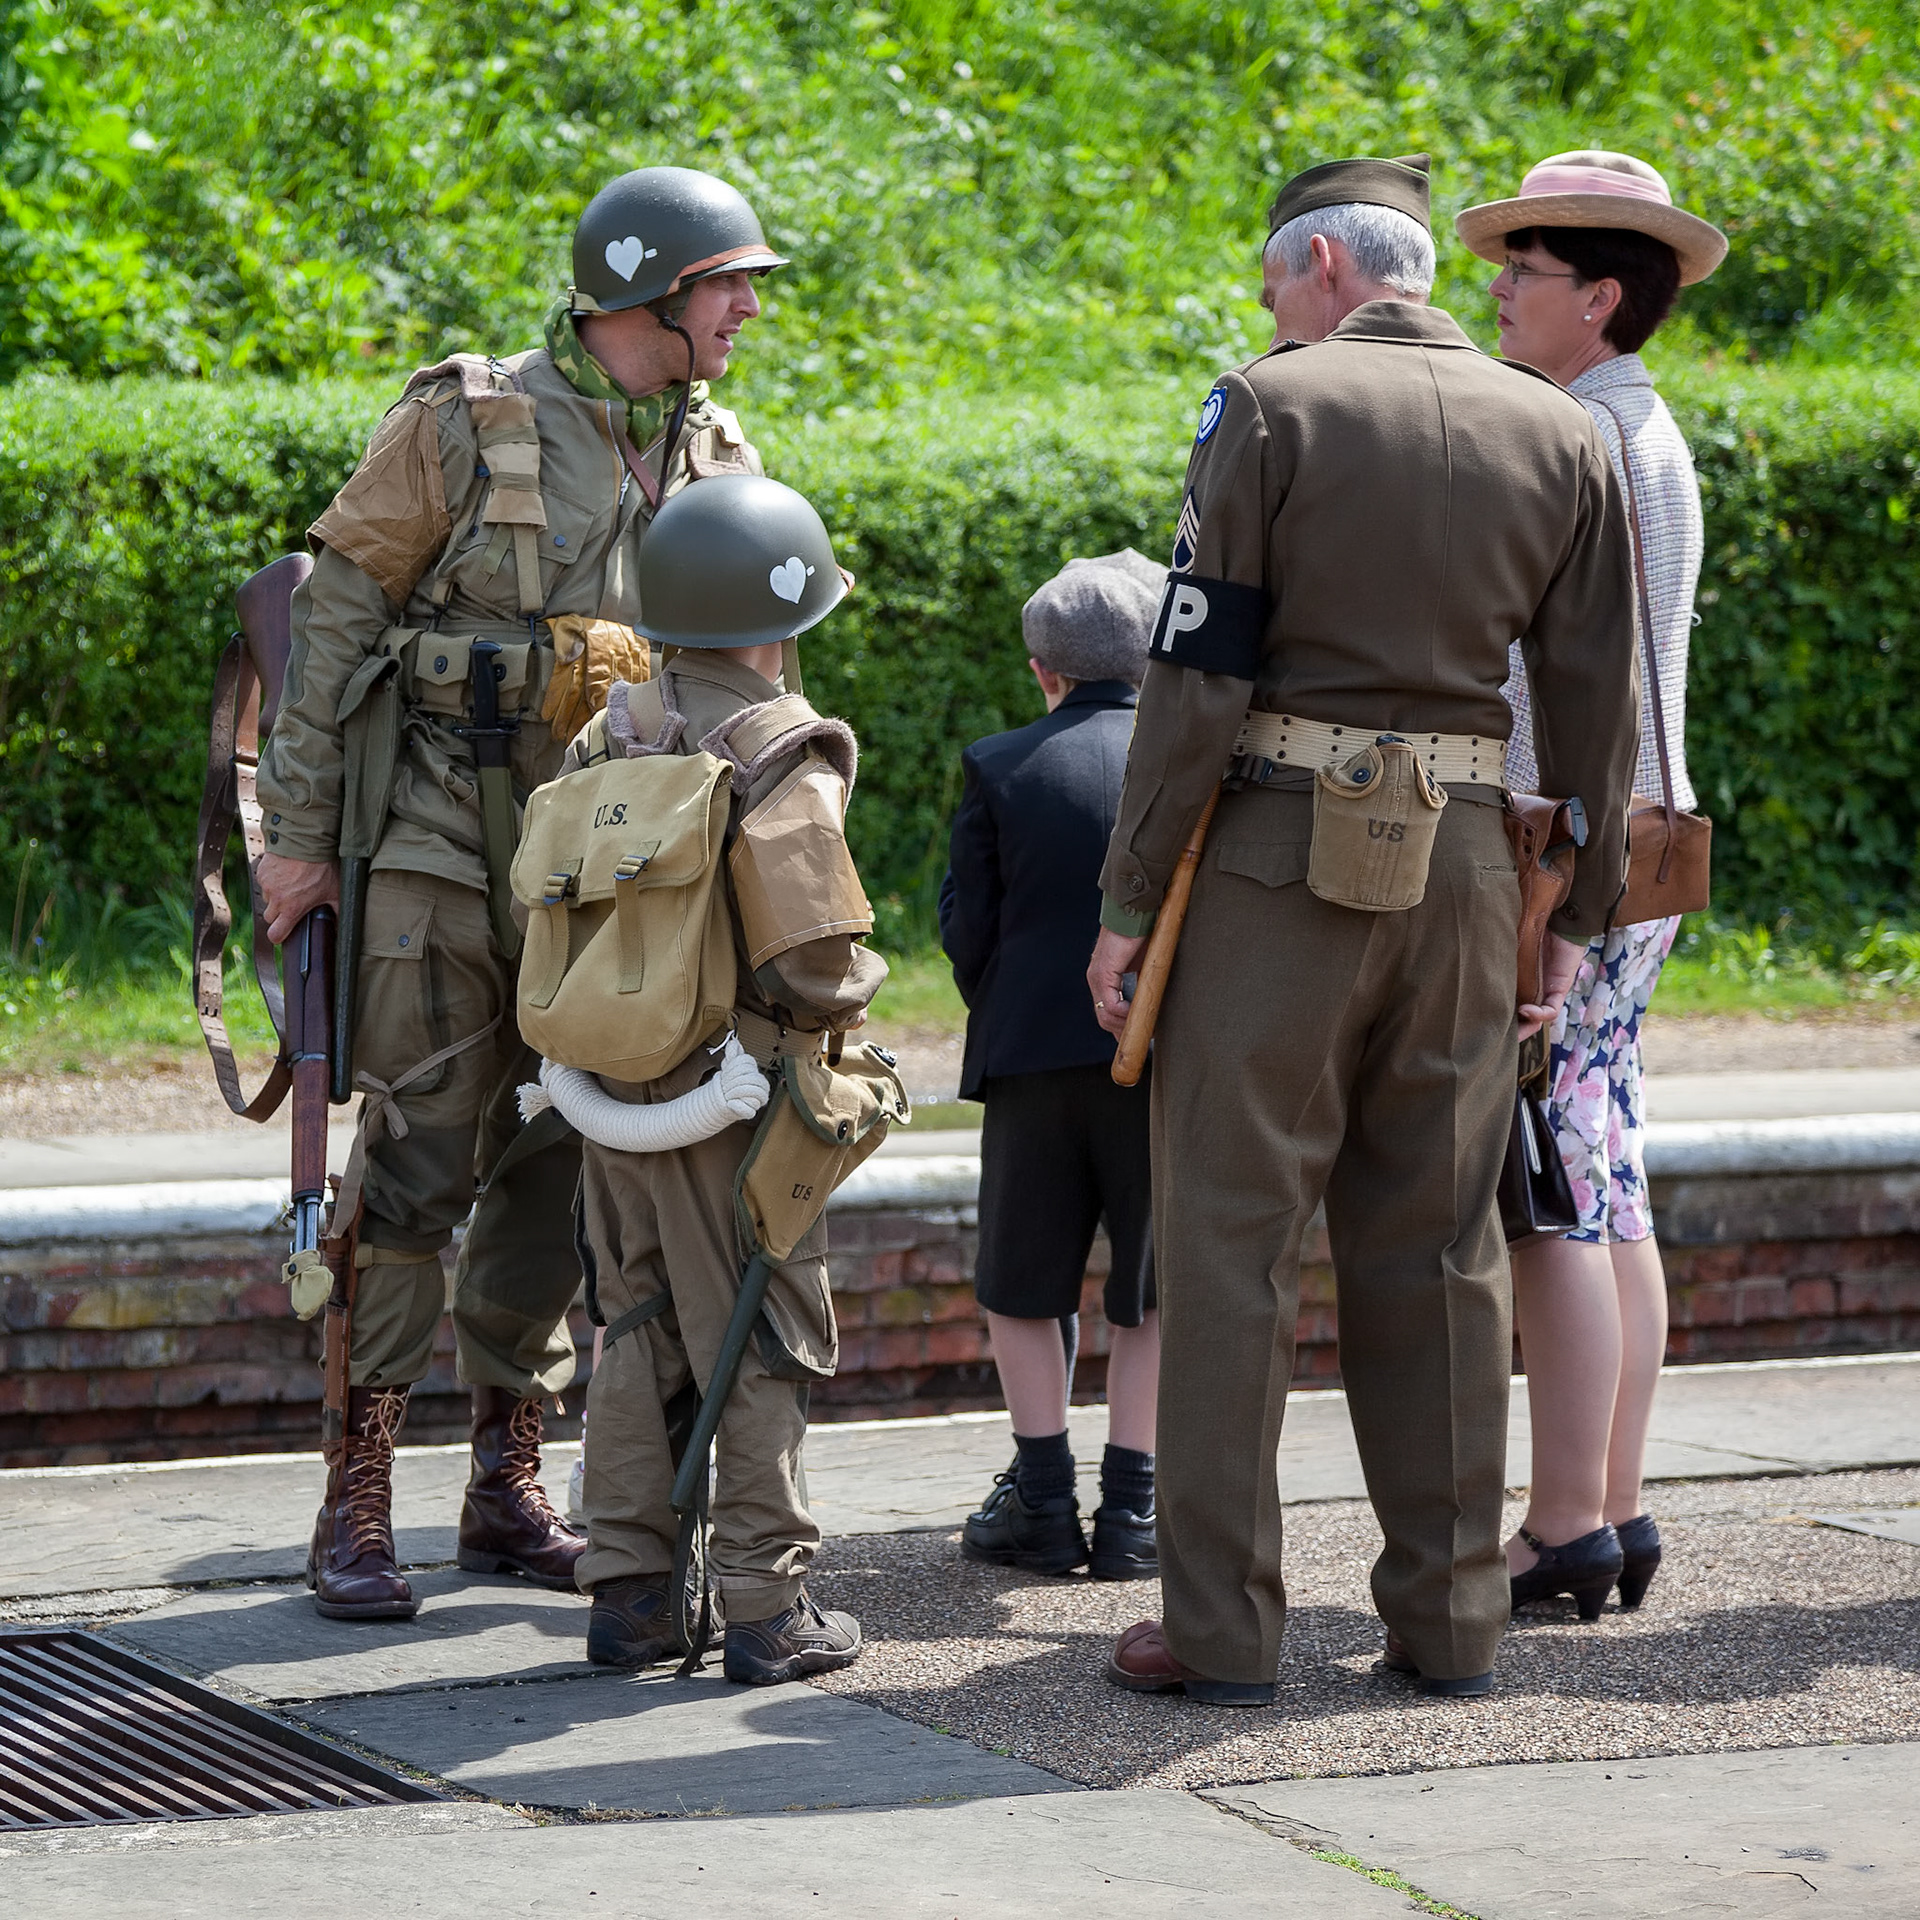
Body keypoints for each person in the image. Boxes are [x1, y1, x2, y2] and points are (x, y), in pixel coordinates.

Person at [1086, 151, 1641, 1705]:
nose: (1268, 308)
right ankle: (1452, 1624)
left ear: (1329, 269)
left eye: (1275, 281)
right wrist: (1573, 918)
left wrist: (1131, 897)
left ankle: (1222, 1631)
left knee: (1229, 1244)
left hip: (1275, 862)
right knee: (1444, 1250)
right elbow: (1598, 705)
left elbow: (1196, 678)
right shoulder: (1563, 429)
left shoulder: (1272, 405)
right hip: (1469, 873)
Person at [253, 166, 786, 1620]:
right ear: (649, 291)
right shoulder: (461, 419)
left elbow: (758, 664)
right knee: (420, 1159)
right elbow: (334, 614)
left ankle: (505, 1481)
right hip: (437, 838)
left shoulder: (717, 444)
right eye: (729, 281)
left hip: (617, 873)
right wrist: (295, 838)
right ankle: (355, 1497)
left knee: (566, 1154)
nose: (748, 306)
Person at [549, 474, 888, 1686]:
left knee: (633, 1325)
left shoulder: (606, 732)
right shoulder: (773, 748)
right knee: (763, 1335)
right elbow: (814, 959)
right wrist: (860, 985)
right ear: (778, 615)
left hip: (610, 1081)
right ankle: (763, 1609)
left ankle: (630, 1597)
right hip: (736, 1096)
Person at [1456, 151, 1728, 1618]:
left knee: (1553, 1178)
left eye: (1526, 270)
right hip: (1645, 838)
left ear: (1601, 296)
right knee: (1609, 1167)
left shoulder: (1586, 441)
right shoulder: (1642, 429)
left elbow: (1582, 691)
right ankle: (1609, 1510)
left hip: (1580, 844)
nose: (1497, 288)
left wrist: (1554, 899)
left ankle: (1564, 1521)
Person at [939, 550, 1167, 1582]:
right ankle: (1134, 1511)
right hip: (1160, 1056)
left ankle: (1040, 1500)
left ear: (1045, 671)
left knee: (1024, 1281)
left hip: (1031, 1054)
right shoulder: (1189, 774)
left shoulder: (998, 764)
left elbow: (966, 932)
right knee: (1150, 1286)